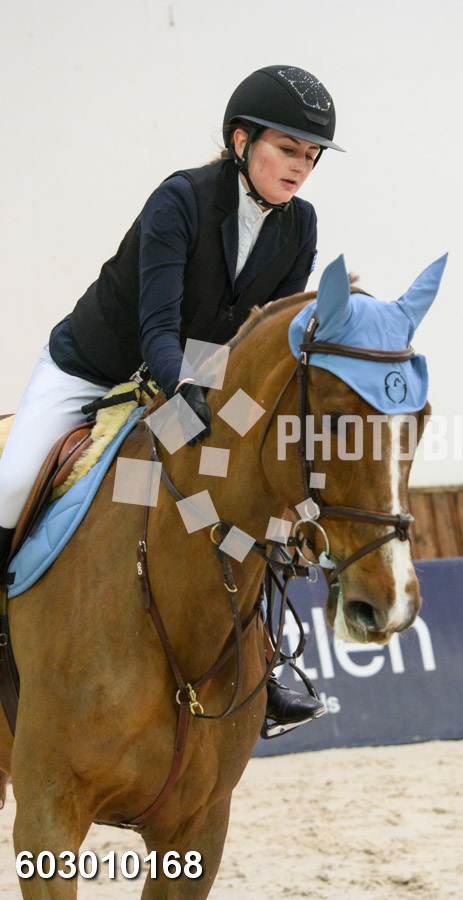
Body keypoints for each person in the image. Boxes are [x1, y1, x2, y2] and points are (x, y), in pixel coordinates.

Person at [0, 64, 344, 733]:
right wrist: (188, 401)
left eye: (310, 156)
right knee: (12, 484)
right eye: (287, 149)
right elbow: (157, 327)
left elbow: (265, 342)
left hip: (197, 379)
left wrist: (241, 425)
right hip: (94, 370)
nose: (300, 167)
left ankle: (264, 665)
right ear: (241, 141)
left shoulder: (299, 225)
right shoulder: (181, 199)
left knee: (250, 499)